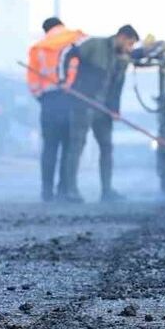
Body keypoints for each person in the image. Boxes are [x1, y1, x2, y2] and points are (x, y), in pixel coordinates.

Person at [59, 24, 140, 203]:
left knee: (106, 147)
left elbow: (117, 87)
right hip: (83, 103)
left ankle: (107, 191)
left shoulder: (122, 60)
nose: (130, 48)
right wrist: (66, 80)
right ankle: (70, 190)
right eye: (129, 43)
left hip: (104, 109)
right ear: (121, 37)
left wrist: (115, 110)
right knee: (76, 146)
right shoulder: (95, 45)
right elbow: (69, 55)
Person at [26, 17, 84, 202]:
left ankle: (46, 191)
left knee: (50, 147)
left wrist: (41, 97)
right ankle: (64, 190)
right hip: (71, 98)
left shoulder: (38, 48)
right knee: (69, 146)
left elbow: (32, 80)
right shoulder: (75, 38)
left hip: (49, 101)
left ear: (46, 30)